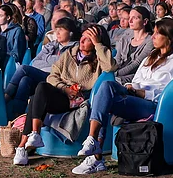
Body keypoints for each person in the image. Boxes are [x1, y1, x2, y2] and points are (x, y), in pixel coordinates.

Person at [71, 18, 173, 175]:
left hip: (153, 104)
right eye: (153, 33)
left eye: (157, 34)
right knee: (107, 87)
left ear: (169, 37)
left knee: (106, 102)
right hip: (134, 96)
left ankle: (96, 157)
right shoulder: (151, 57)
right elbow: (137, 80)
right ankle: (92, 142)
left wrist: (142, 92)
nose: (153, 37)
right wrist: (130, 87)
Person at [12, 25, 116, 166]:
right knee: (41, 88)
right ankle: (34, 135)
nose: (83, 40)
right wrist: (65, 88)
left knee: (35, 99)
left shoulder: (100, 57)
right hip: (62, 95)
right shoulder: (69, 53)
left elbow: (110, 68)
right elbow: (52, 76)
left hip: (80, 100)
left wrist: (98, 45)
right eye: (83, 36)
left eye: (89, 38)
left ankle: (22, 145)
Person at [5, 17, 80, 120]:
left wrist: (47, 59)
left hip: (56, 78)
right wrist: (54, 60)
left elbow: (63, 65)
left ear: (70, 33)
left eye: (61, 29)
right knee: (25, 80)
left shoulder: (75, 49)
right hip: (41, 75)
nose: (57, 32)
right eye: (56, 29)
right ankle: (17, 117)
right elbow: (35, 62)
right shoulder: (51, 45)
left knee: (23, 69)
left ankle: (6, 96)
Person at [113, 6, 154, 84]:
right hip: (118, 72)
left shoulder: (150, 40)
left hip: (135, 76)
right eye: (130, 18)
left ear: (145, 22)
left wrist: (115, 74)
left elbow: (137, 63)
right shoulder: (125, 37)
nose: (130, 21)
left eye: (135, 18)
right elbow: (118, 59)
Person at [0, 5, 27, 71]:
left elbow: (16, 54)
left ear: (8, 17)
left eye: (0, 16)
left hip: (9, 64)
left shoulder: (17, 30)